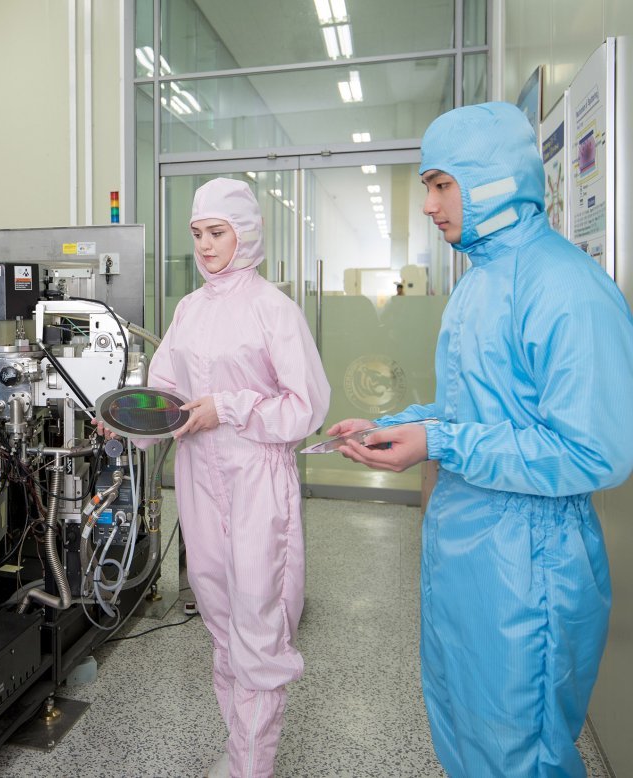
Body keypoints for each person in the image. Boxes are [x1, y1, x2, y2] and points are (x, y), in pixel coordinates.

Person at [327, 102, 633, 777]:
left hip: (529, 568)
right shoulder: (479, 283)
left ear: (495, 180)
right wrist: (400, 424)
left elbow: (593, 452)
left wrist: (442, 443)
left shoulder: (566, 287)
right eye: (426, 187)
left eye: (442, 185)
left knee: (519, 753)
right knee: (466, 731)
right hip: (466, 553)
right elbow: (472, 407)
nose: (429, 206)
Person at [100, 178, 330, 777]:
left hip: (257, 478)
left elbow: (305, 406)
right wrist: (127, 420)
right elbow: (165, 394)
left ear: (245, 234)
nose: (205, 246)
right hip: (199, 477)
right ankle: (240, 753)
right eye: (198, 233)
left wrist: (226, 408)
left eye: (217, 233)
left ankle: (252, 767)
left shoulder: (272, 308)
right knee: (222, 621)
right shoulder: (190, 309)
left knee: (259, 624)